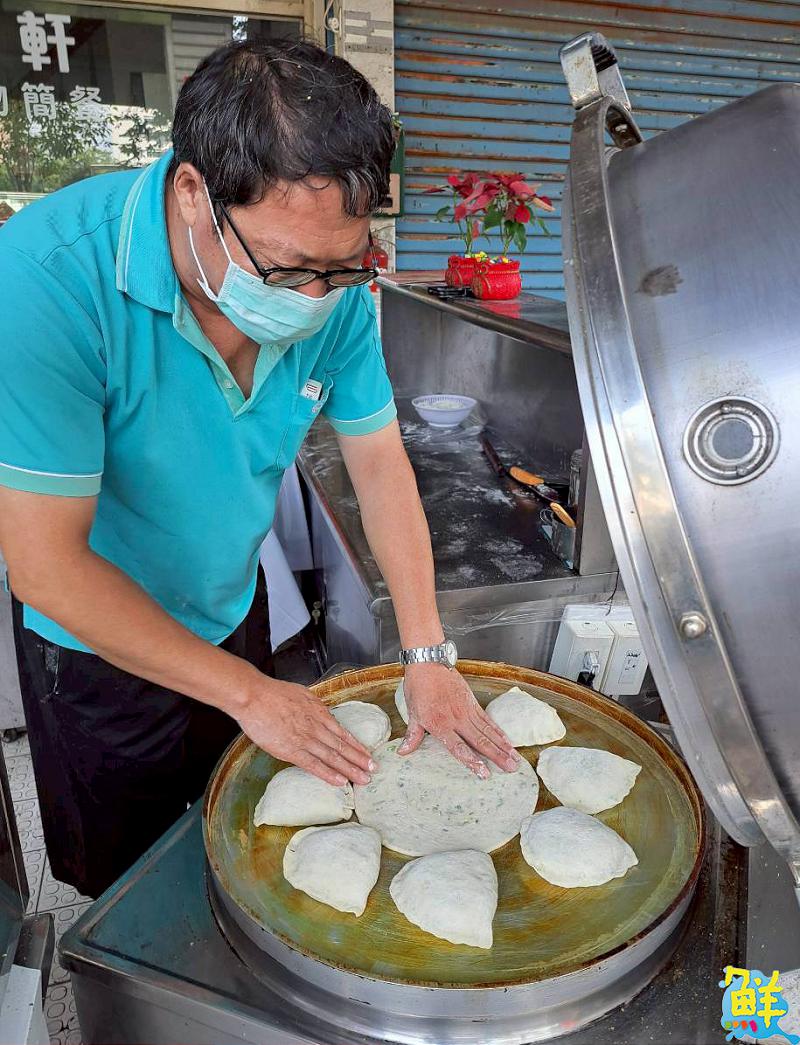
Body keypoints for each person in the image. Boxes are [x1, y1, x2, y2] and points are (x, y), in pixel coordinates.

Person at [0, 38, 517, 899]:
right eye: (289, 269)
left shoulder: (336, 288)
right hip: (100, 643)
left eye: (343, 266)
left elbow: (382, 466)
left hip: (232, 603)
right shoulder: (48, 280)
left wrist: (427, 650)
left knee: (241, 836)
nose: (317, 299)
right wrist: (248, 693)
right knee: (131, 886)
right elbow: (46, 565)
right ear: (195, 191)